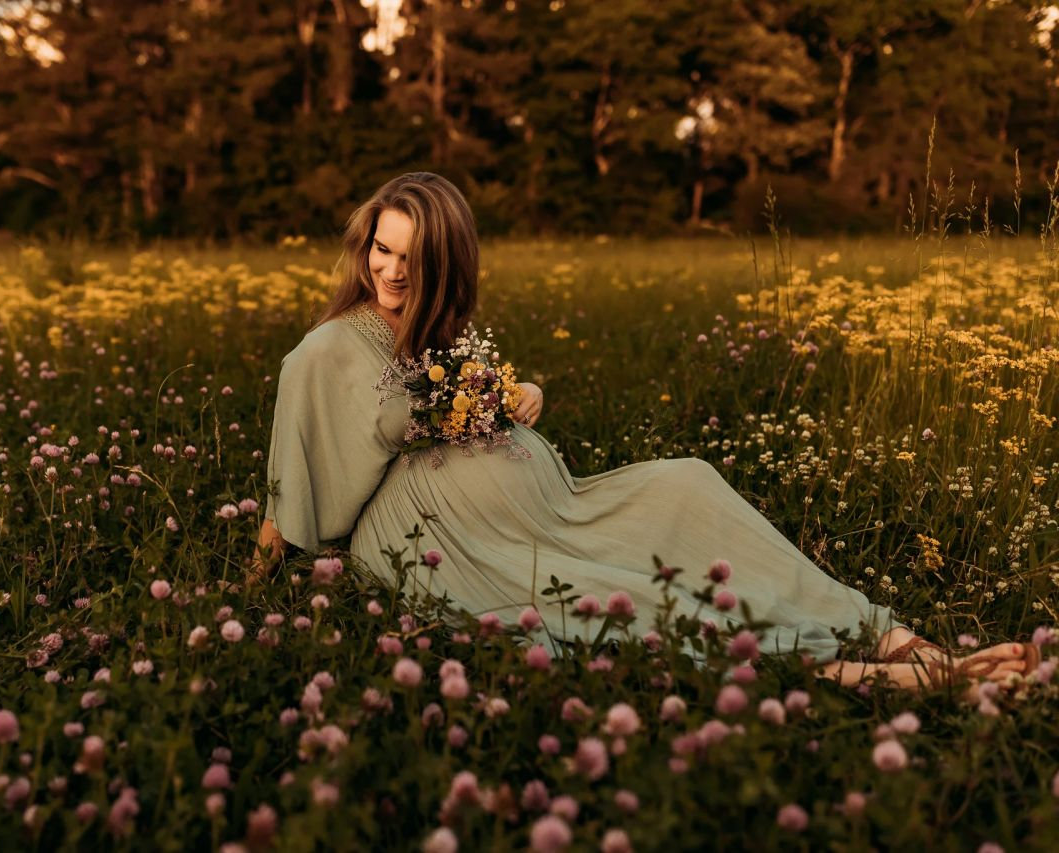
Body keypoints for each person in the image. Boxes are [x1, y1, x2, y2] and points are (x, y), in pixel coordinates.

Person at [247, 171, 1040, 698]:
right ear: (364, 247)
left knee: (685, 484)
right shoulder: (326, 350)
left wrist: (526, 392)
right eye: (381, 250)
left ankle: (891, 633)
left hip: (557, 508)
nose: (391, 271)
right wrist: (248, 589)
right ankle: (866, 676)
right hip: (437, 541)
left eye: (411, 257)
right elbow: (293, 482)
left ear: (446, 263)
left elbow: (470, 400)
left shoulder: (434, 327)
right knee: (619, 604)